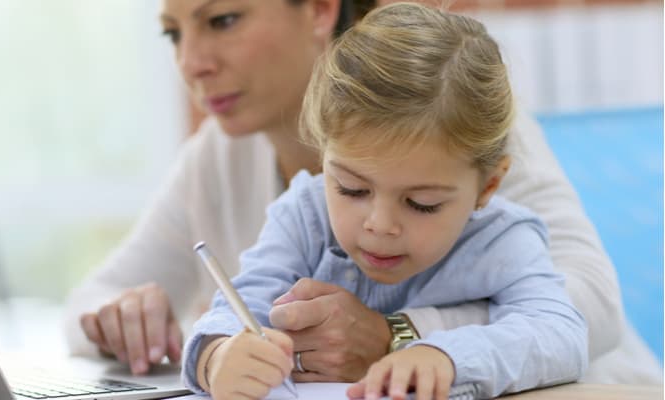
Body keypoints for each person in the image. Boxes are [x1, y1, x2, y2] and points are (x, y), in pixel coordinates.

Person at [63, 0, 661, 385]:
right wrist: (133, 322)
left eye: (223, 20)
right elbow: (99, 300)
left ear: (320, 9)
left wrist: (400, 334)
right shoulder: (226, 161)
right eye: (172, 34)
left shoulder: (455, 124)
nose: (191, 62)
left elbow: (588, 309)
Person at [183, 4, 587, 400]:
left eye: (422, 203)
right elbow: (234, 310)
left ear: (488, 186)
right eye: (352, 189)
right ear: (325, 155)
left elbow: (561, 335)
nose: (380, 225)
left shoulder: (503, 239)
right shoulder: (304, 215)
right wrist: (215, 356)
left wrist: (446, 355)